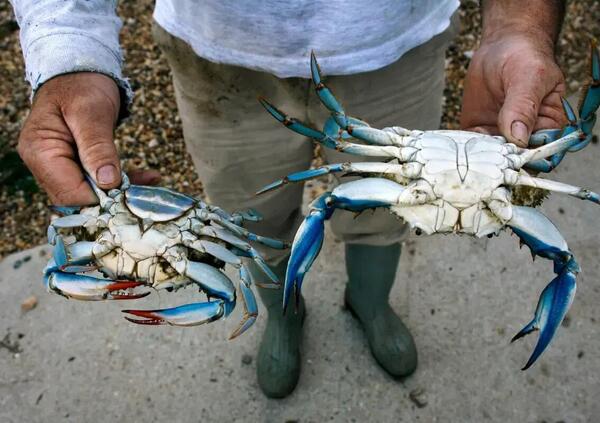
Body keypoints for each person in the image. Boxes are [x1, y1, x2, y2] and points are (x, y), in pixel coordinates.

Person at [10, 0, 567, 398]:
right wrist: (70, 54)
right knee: (249, 223)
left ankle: (368, 302)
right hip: (217, 52)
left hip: (396, 43)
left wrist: (519, 25)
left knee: (392, 210)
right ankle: (283, 313)